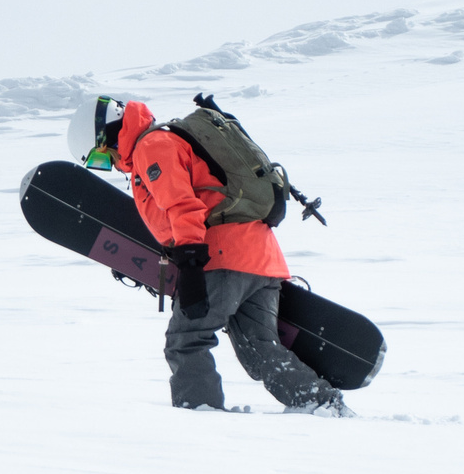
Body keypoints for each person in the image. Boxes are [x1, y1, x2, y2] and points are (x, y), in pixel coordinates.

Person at [75, 95, 349, 416]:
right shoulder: (169, 139)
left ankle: (201, 417)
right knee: (260, 349)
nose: (108, 164)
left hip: (222, 258)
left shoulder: (152, 145)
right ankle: (322, 404)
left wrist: (191, 266)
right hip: (263, 258)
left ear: (107, 134)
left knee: (187, 339)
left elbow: (183, 207)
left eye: (100, 157)